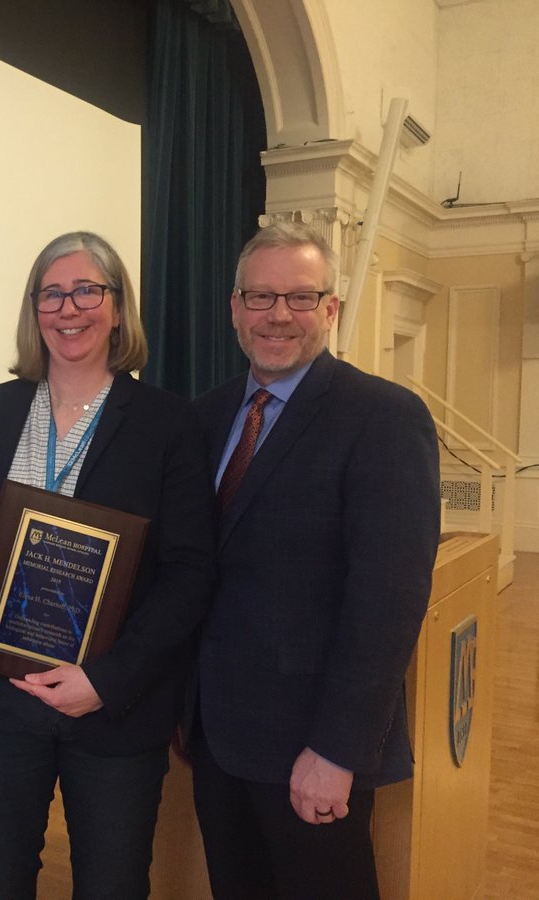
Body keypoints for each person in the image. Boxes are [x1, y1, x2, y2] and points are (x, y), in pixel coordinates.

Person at [0, 231, 216, 898]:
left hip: (112, 704)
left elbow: (191, 572)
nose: (68, 309)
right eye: (52, 293)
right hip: (2, 696)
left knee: (111, 883)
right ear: (33, 308)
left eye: (86, 290)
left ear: (117, 306)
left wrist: (105, 678)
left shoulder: (168, 422)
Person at [189, 221, 440, 899]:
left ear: (330, 308)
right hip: (216, 738)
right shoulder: (204, 418)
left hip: (311, 748)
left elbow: (387, 602)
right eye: (261, 297)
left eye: (300, 298)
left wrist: (336, 751)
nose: (278, 316)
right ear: (235, 308)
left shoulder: (383, 418)